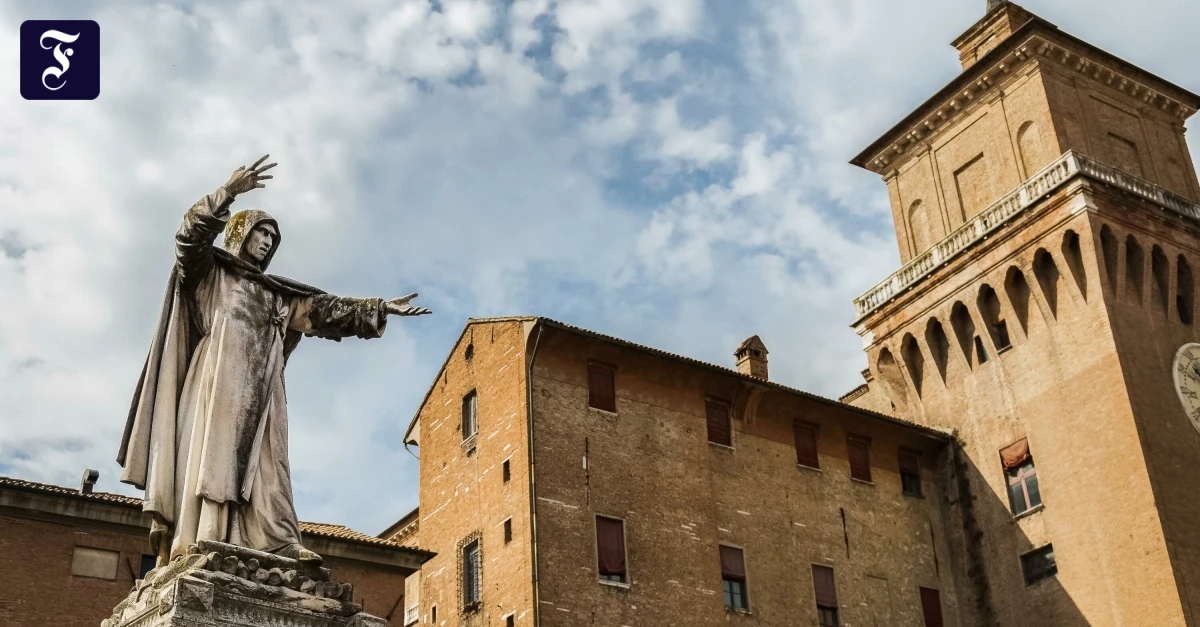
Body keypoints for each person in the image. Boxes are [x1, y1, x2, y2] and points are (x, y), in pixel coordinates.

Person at [117, 155, 430, 564]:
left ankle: (276, 540)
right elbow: (188, 239)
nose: (266, 242)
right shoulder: (212, 274)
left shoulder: (278, 293)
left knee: (271, 465)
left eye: (271, 237)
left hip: (266, 388)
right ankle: (208, 534)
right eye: (260, 233)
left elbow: (325, 310)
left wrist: (381, 307)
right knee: (217, 454)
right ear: (240, 233)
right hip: (218, 378)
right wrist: (228, 191)